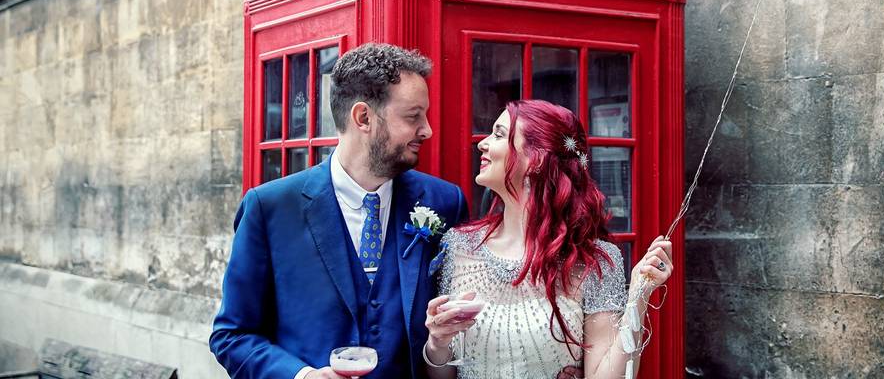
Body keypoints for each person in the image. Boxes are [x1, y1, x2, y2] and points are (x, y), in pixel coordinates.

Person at [210, 43, 469, 379]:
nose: (427, 129)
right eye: (412, 116)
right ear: (363, 117)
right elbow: (232, 335)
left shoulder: (444, 202)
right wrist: (301, 376)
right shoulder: (270, 207)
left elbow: (457, 330)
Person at [422, 100, 673, 379]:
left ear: (536, 160)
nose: (482, 143)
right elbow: (443, 375)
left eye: (499, 134)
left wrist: (638, 294)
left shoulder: (594, 260)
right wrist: (437, 342)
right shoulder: (459, 245)